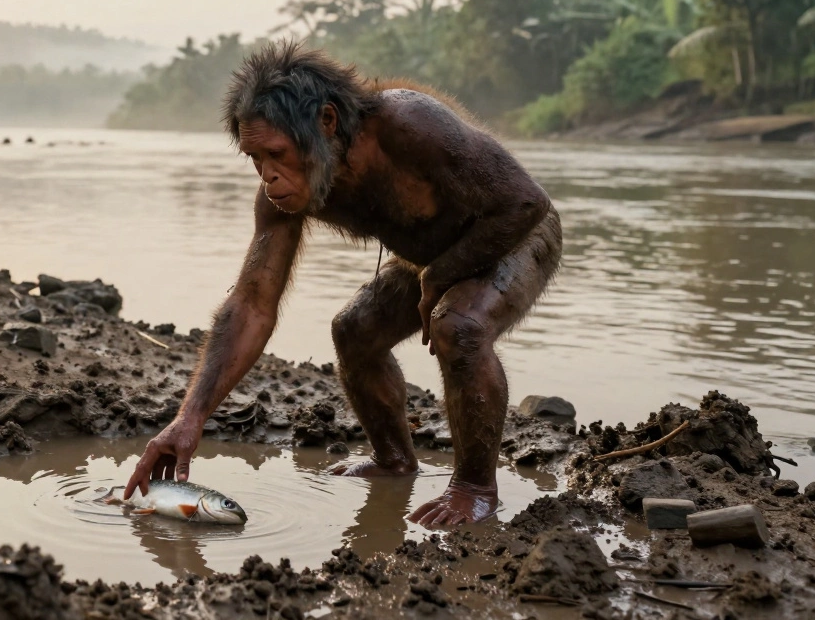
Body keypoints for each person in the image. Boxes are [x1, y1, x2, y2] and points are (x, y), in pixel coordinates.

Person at [125, 41, 562, 526]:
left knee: (458, 325)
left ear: (326, 123)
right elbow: (251, 305)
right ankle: (394, 460)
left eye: (277, 153)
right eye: (254, 158)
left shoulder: (409, 123)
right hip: (428, 258)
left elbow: (526, 203)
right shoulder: (280, 195)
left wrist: (441, 275)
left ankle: (475, 489)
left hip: (511, 235)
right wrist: (190, 419)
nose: (268, 175)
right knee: (354, 331)